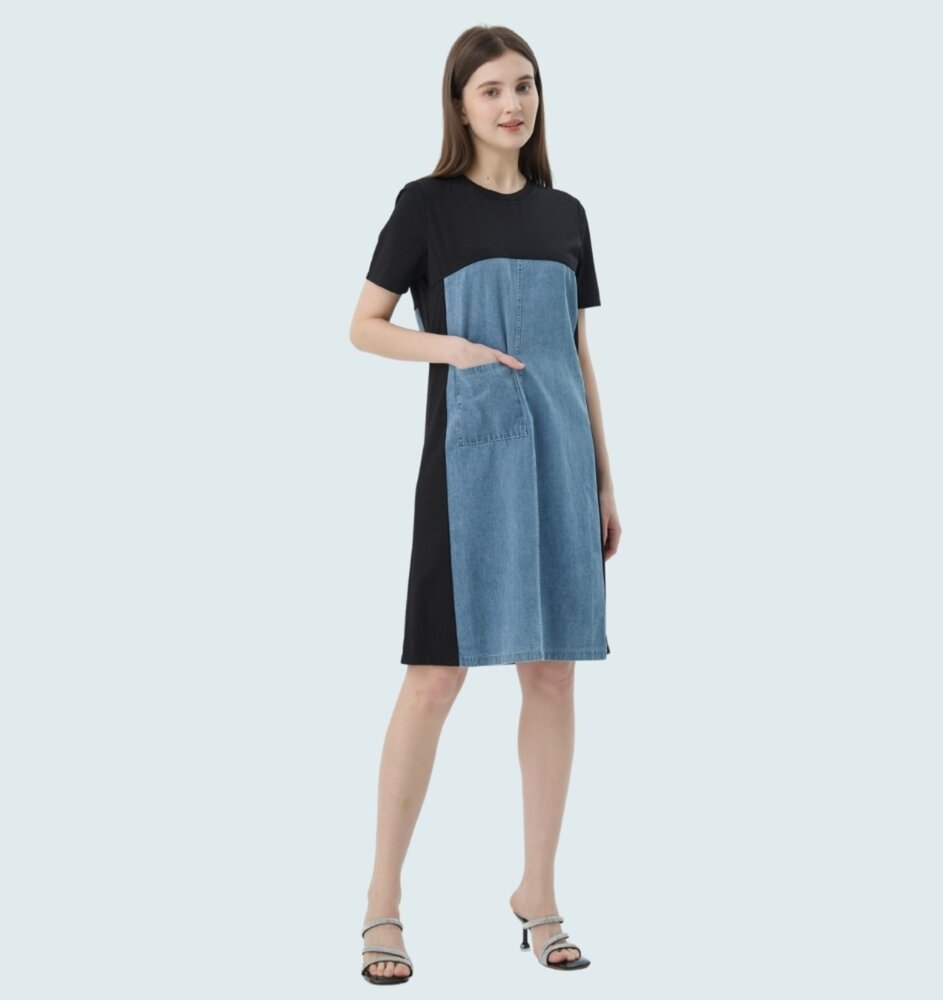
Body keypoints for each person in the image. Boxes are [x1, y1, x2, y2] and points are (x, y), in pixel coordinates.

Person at [349, 24, 622, 985]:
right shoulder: (426, 207)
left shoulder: (565, 214)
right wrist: (454, 350)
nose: (513, 104)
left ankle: (537, 893)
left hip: (561, 459)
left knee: (554, 676)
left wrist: (603, 476)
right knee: (434, 678)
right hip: (468, 465)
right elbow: (364, 326)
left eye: (526, 86)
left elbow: (577, 351)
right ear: (460, 106)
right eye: (492, 90)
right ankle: (382, 901)